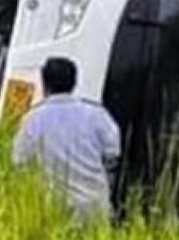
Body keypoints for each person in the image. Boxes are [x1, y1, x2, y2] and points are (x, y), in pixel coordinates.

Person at [12, 57, 122, 222]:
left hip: (53, 207)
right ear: (74, 83)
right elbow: (113, 154)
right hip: (94, 207)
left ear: (44, 84)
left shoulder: (33, 119)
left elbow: (19, 162)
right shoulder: (96, 114)